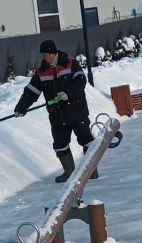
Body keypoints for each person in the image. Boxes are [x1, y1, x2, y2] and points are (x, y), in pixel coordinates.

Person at [14, 39, 97, 182]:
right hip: (57, 114)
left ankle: (92, 170)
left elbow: (81, 81)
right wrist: (21, 108)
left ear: (53, 53)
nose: (43, 57)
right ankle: (69, 172)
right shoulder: (41, 72)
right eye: (42, 55)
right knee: (59, 144)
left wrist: (67, 93)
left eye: (45, 55)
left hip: (76, 110)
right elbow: (31, 92)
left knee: (86, 140)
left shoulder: (71, 63)